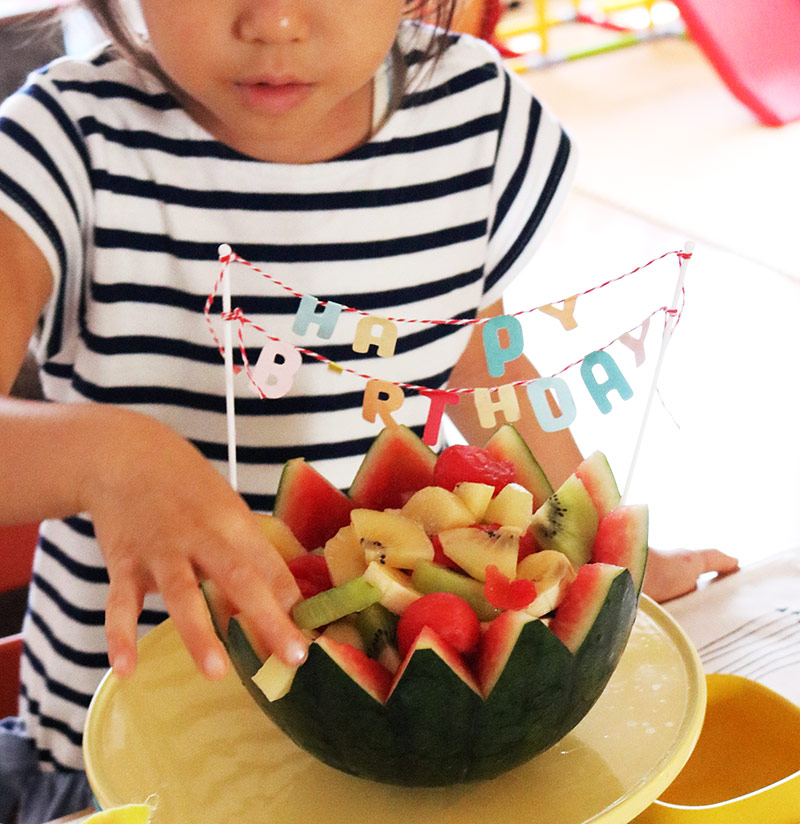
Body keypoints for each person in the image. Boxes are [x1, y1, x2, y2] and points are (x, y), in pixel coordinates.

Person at [0, 0, 737, 818]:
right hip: (127, 749)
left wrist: (601, 566)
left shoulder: (473, 119)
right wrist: (105, 457)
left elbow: (474, 356)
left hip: (402, 733)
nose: (275, 23)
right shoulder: (62, 145)